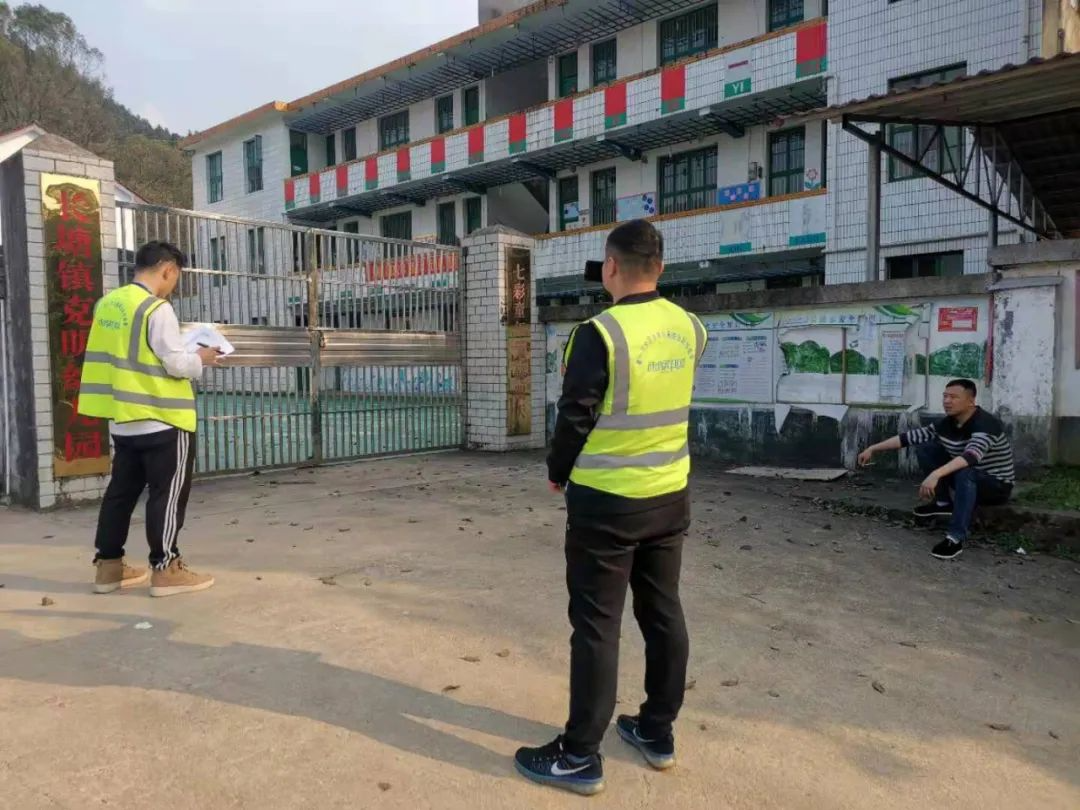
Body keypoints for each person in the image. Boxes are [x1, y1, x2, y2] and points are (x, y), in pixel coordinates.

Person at [514, 220, 706, 796]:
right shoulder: (691, 327)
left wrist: (557, 471)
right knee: (663, 611)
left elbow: (575, 414)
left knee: (597, 624)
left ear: (611, 267)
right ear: (660, 267)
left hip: (607, 504)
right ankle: (657, 731)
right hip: (669, 496)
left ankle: (579, 755)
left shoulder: (599, 333)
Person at [78, 241, 221, 596]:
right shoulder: (156, 309)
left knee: (120, 494)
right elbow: (176, 364)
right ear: (167, 269)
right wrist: (201, 358)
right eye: (176, 277)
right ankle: (166, 567)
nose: (173, 285)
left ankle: (109, 567)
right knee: (166, 495)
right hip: (163, 417)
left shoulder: (107, 304)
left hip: (123, 418)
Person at [858, 378, 1015, 560]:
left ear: (971, 401)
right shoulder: (947, 423)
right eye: (945, 396)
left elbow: (971, 457)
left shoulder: (986, 424)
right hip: (966, 479)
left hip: (996, 486)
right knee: (926, 447)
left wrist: (936, 474)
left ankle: (955, 538)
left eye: (953, 397)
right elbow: (910, 437)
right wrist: (873, 448)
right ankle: (943, 504)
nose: (947, 401)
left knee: (966, 472)